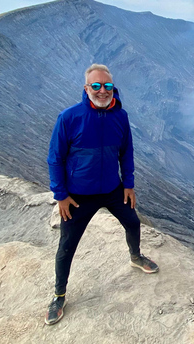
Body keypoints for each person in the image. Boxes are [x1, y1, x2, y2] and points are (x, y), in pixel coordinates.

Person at [45, 64, 158, 325]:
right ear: (86, 89)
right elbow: (55, 158)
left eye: (107, 85)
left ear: (113, 87)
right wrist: (61, 195)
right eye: (96, 86)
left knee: (132, 222)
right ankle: (59, 295)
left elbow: (126, 152)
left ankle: (135, 257)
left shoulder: (120, 116)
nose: (102, 90)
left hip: (111, 188)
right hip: (78, 195)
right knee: (67, 246)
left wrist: (128, 184)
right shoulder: (69, 117)